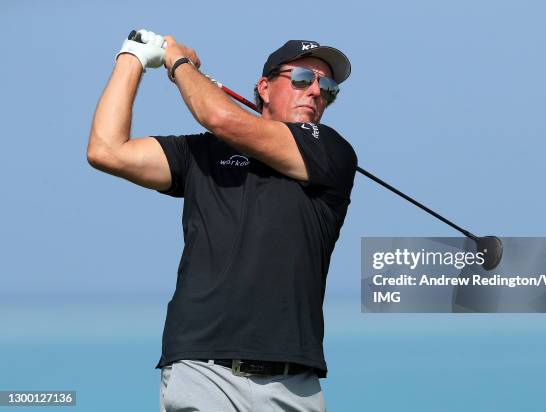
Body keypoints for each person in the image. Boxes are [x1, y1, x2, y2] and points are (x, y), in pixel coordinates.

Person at [87, 29, 357, 412]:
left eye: (327, 86)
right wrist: (132, 57)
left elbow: (220, 117)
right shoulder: (202, 153)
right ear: (264, 87)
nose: (315, 91)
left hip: (292, 384)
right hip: (202, 371)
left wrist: (179, 64)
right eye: (301, 79)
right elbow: (106, 150)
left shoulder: (329, 150)